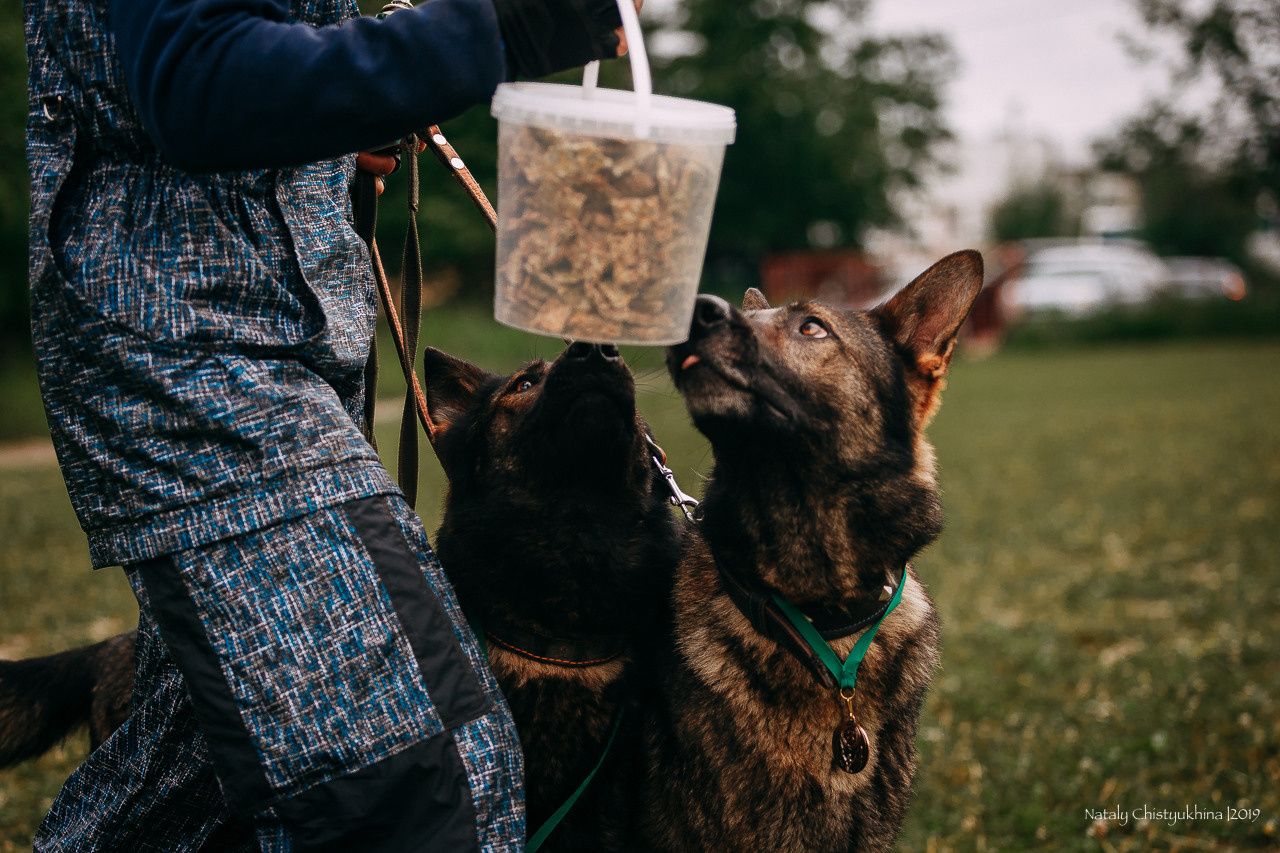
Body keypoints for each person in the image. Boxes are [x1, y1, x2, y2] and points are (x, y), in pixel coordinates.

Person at [25, 0, 631, 849]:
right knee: (425, 780)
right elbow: (194, 78)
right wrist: (503, 25)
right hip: (196, 357)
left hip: (292, 342)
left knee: (193, 799)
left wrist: (336, 123)